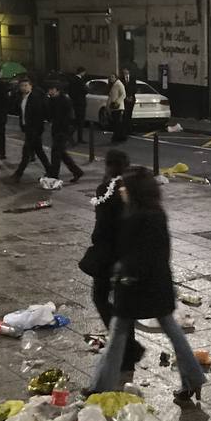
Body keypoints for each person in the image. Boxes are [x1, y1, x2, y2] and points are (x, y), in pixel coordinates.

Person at [87, 167, 206, 406]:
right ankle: (193, 378)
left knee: (118, 335)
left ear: (135, 191)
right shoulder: (156, 213)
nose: (121, 190)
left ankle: (99, 387)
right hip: (157, 284)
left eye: (125, 187)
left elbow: (139, 255)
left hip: (135, 287)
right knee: (171, 330)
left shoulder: (136, 217)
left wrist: (124, 273)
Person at [82, 149, 143, 380]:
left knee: (100, 297)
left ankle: (129, 349)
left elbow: (103, 225)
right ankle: (128, 350)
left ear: (108, 165)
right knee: (122, 303)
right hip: (126, 254)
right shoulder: (130, 189)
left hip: (108, 255)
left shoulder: (106, 190)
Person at [11, 75, 51, 182]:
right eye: (22, 86)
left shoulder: (35, 98)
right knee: (39, 151)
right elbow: (18, 111)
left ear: (31, 86)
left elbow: (39, 115)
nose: (24, 88)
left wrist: (36, 130)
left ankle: (18, 174)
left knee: (26, 152)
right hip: (27, 128)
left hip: (34, 129)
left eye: (26, 85)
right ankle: (50, 170)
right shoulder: (22, 98)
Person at [46, 82, 84, 182]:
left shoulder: (65, 100)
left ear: (56, 90)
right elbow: (50, 114)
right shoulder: (52, 99)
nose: (49, 91)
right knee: (61, 153)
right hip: (56, 129)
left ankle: (54, 175)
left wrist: (67, 130)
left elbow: (69, 116)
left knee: (56, 152)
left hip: (64, 130)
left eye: (51, 89)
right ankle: (77, 172)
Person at [68, 66, 89, 143]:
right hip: (81, 103)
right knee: (80, 121)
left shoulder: (72, 80)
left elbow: (70, 92)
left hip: (75, 103)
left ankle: (72, 134)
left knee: (77, 120)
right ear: (82, 72)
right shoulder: (80, 81)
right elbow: (85, 90)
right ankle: (78, 137)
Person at [107, 71, 126, 143]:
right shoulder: (114, 84)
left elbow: (123, 94)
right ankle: (119, 137)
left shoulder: (119, 84)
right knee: (116, 123)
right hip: (114, 107)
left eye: (112, 77)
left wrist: (117, 102)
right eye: (110, 77)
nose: (111, 78)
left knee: (117, 123)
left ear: (116, 77)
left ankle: (116, 137)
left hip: (118, 107)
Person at [120, 66, 137, 138]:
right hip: (124, 99)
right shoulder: (121, 79)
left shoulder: (132, 78)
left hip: (131, 99)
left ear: (128, 71)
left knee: (129, 115)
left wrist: (131, 96)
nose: (125, 71)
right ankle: (124, 131)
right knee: (125, 115)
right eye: (124, 70)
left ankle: (130, 130)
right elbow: (121, 89)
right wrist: (126, 97)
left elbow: (134, 88)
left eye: (126, 70)